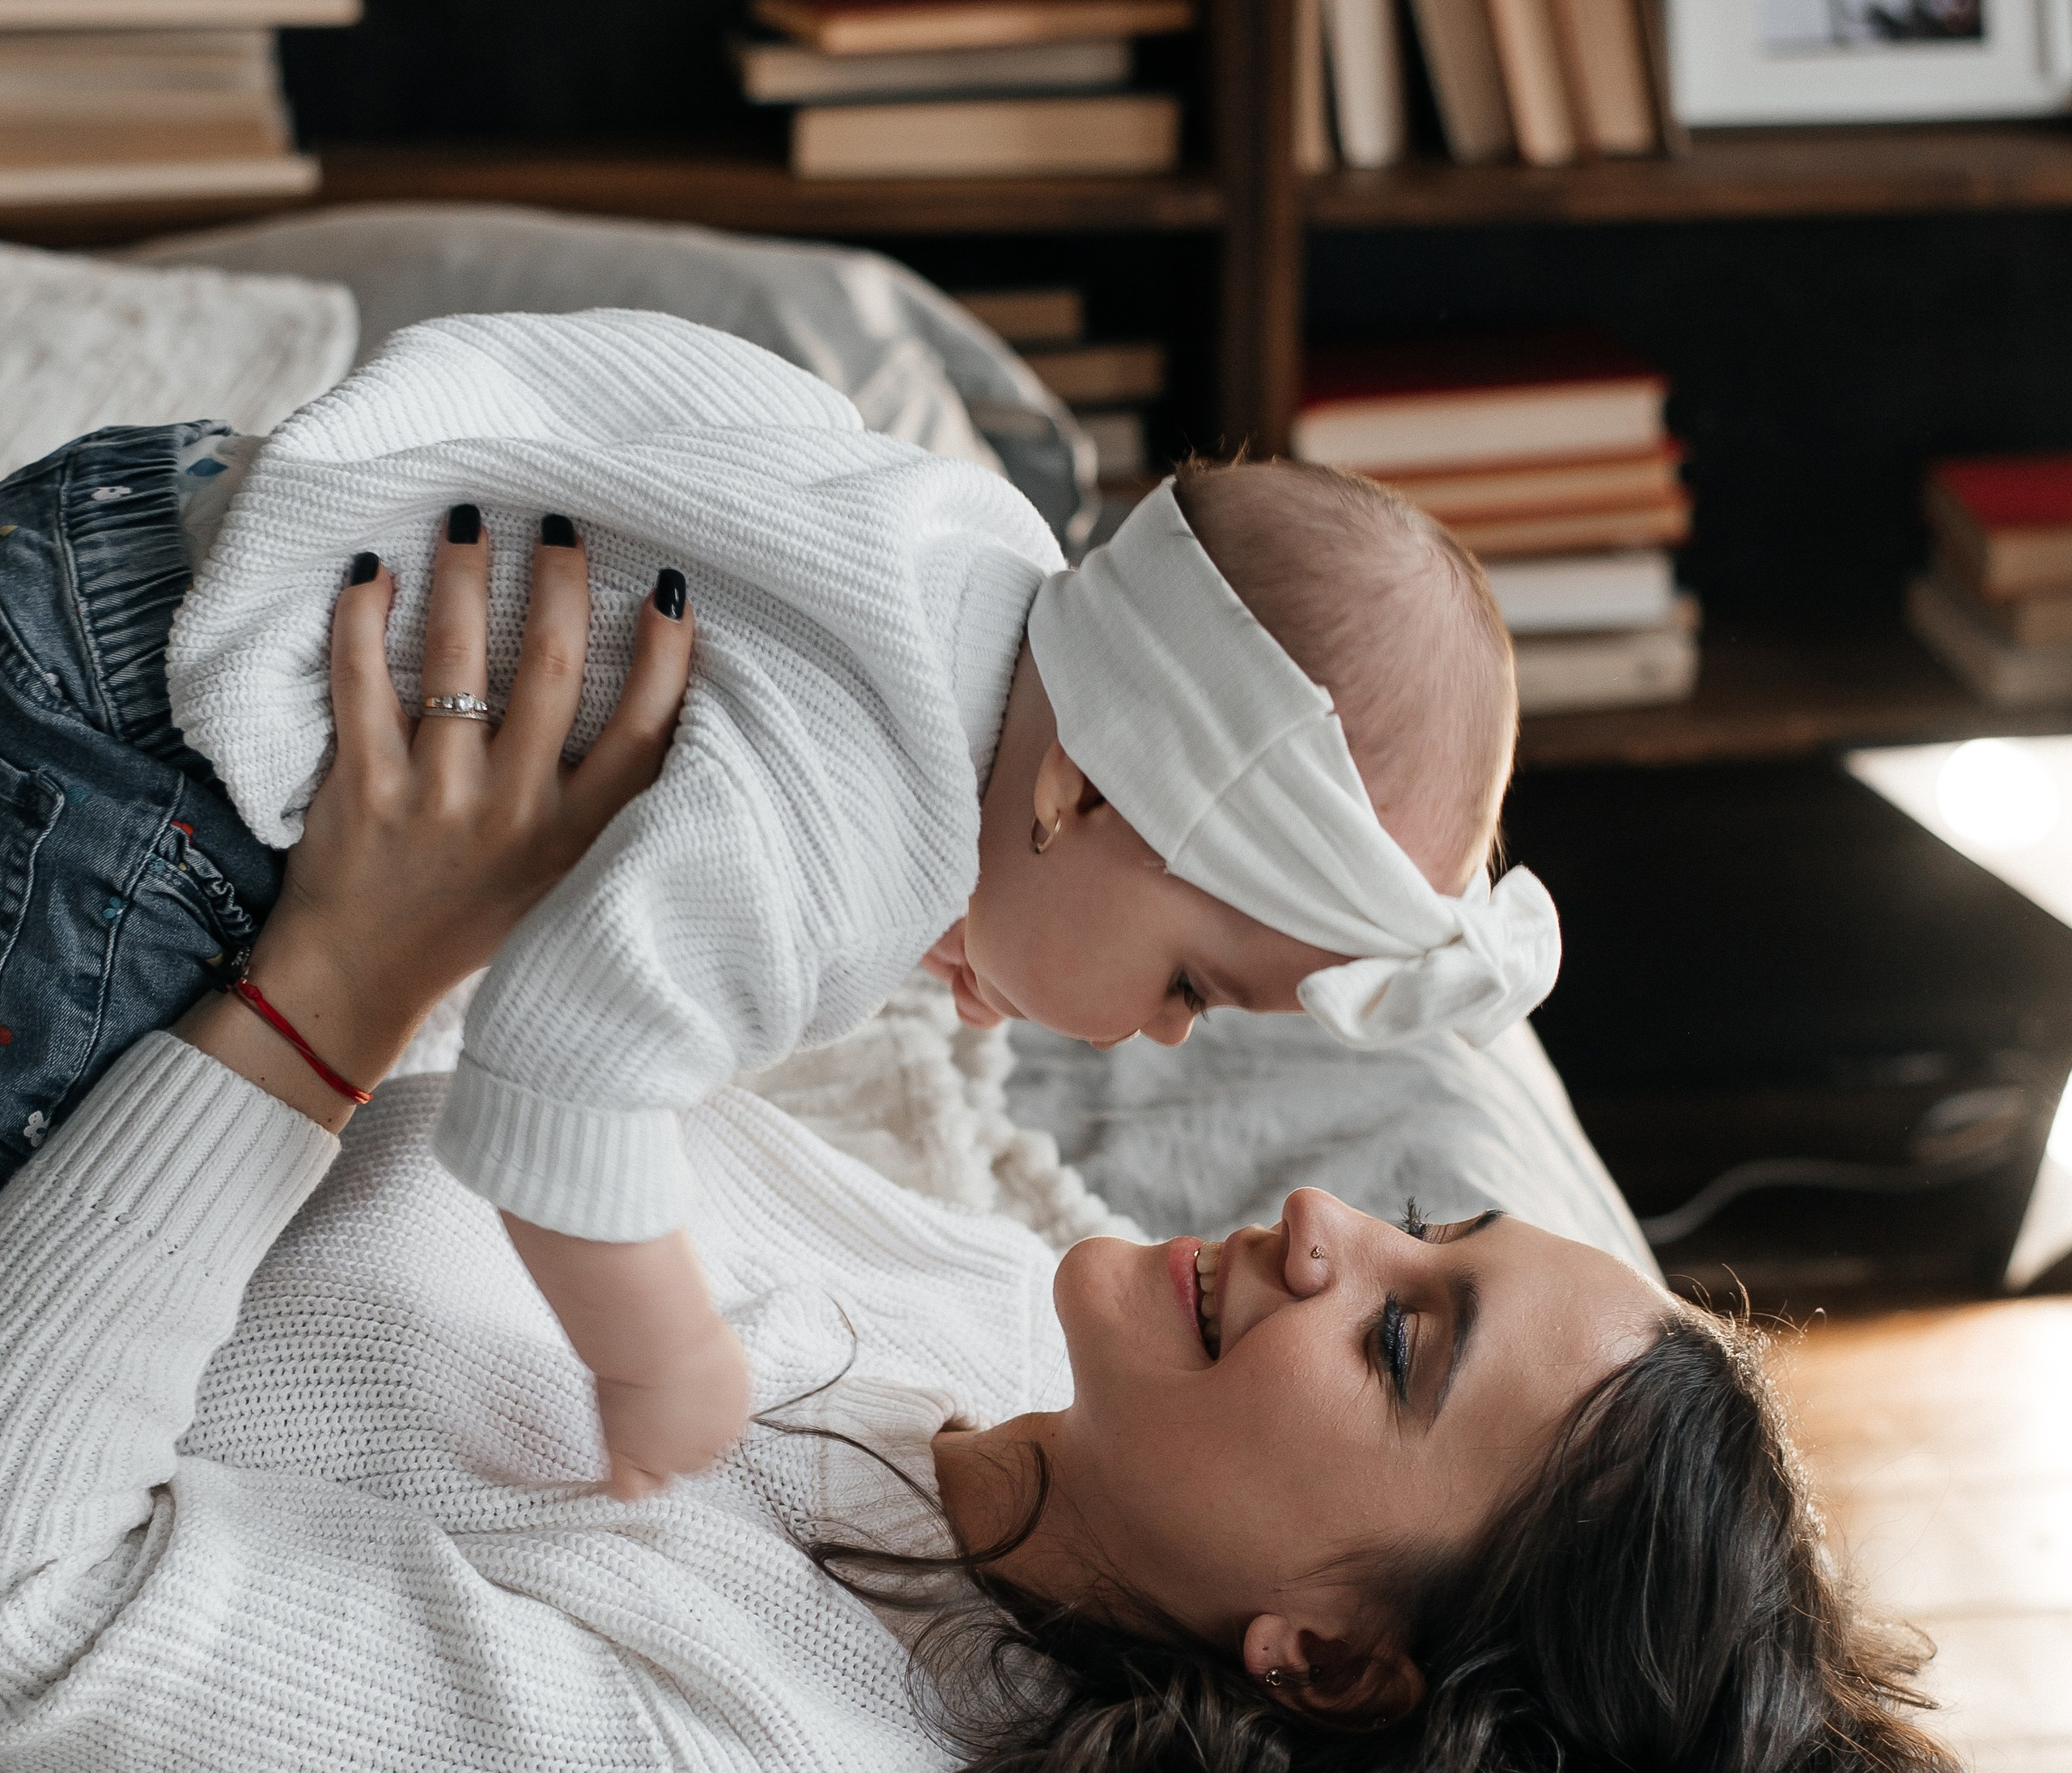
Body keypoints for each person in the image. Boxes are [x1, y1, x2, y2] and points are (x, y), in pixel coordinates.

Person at [0, 531, 1963, 1773]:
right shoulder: (1002, 1342)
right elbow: (534, 1083)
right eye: (1420, 1226)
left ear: (1330, 1660)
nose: (1317, 1224)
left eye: (1394, 1341)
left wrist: (334, 975)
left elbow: (29, 1599)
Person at [0, 308, 1557, 1499]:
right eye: (1193, 985)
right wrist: (661, 1356)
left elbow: (704, 536)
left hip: (143, 522)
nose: (1155, 1034)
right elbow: (559, 1073)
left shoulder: (964, 550)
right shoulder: (863, 832)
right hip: (136, 770)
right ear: (1076, 788)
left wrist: (965, 902)